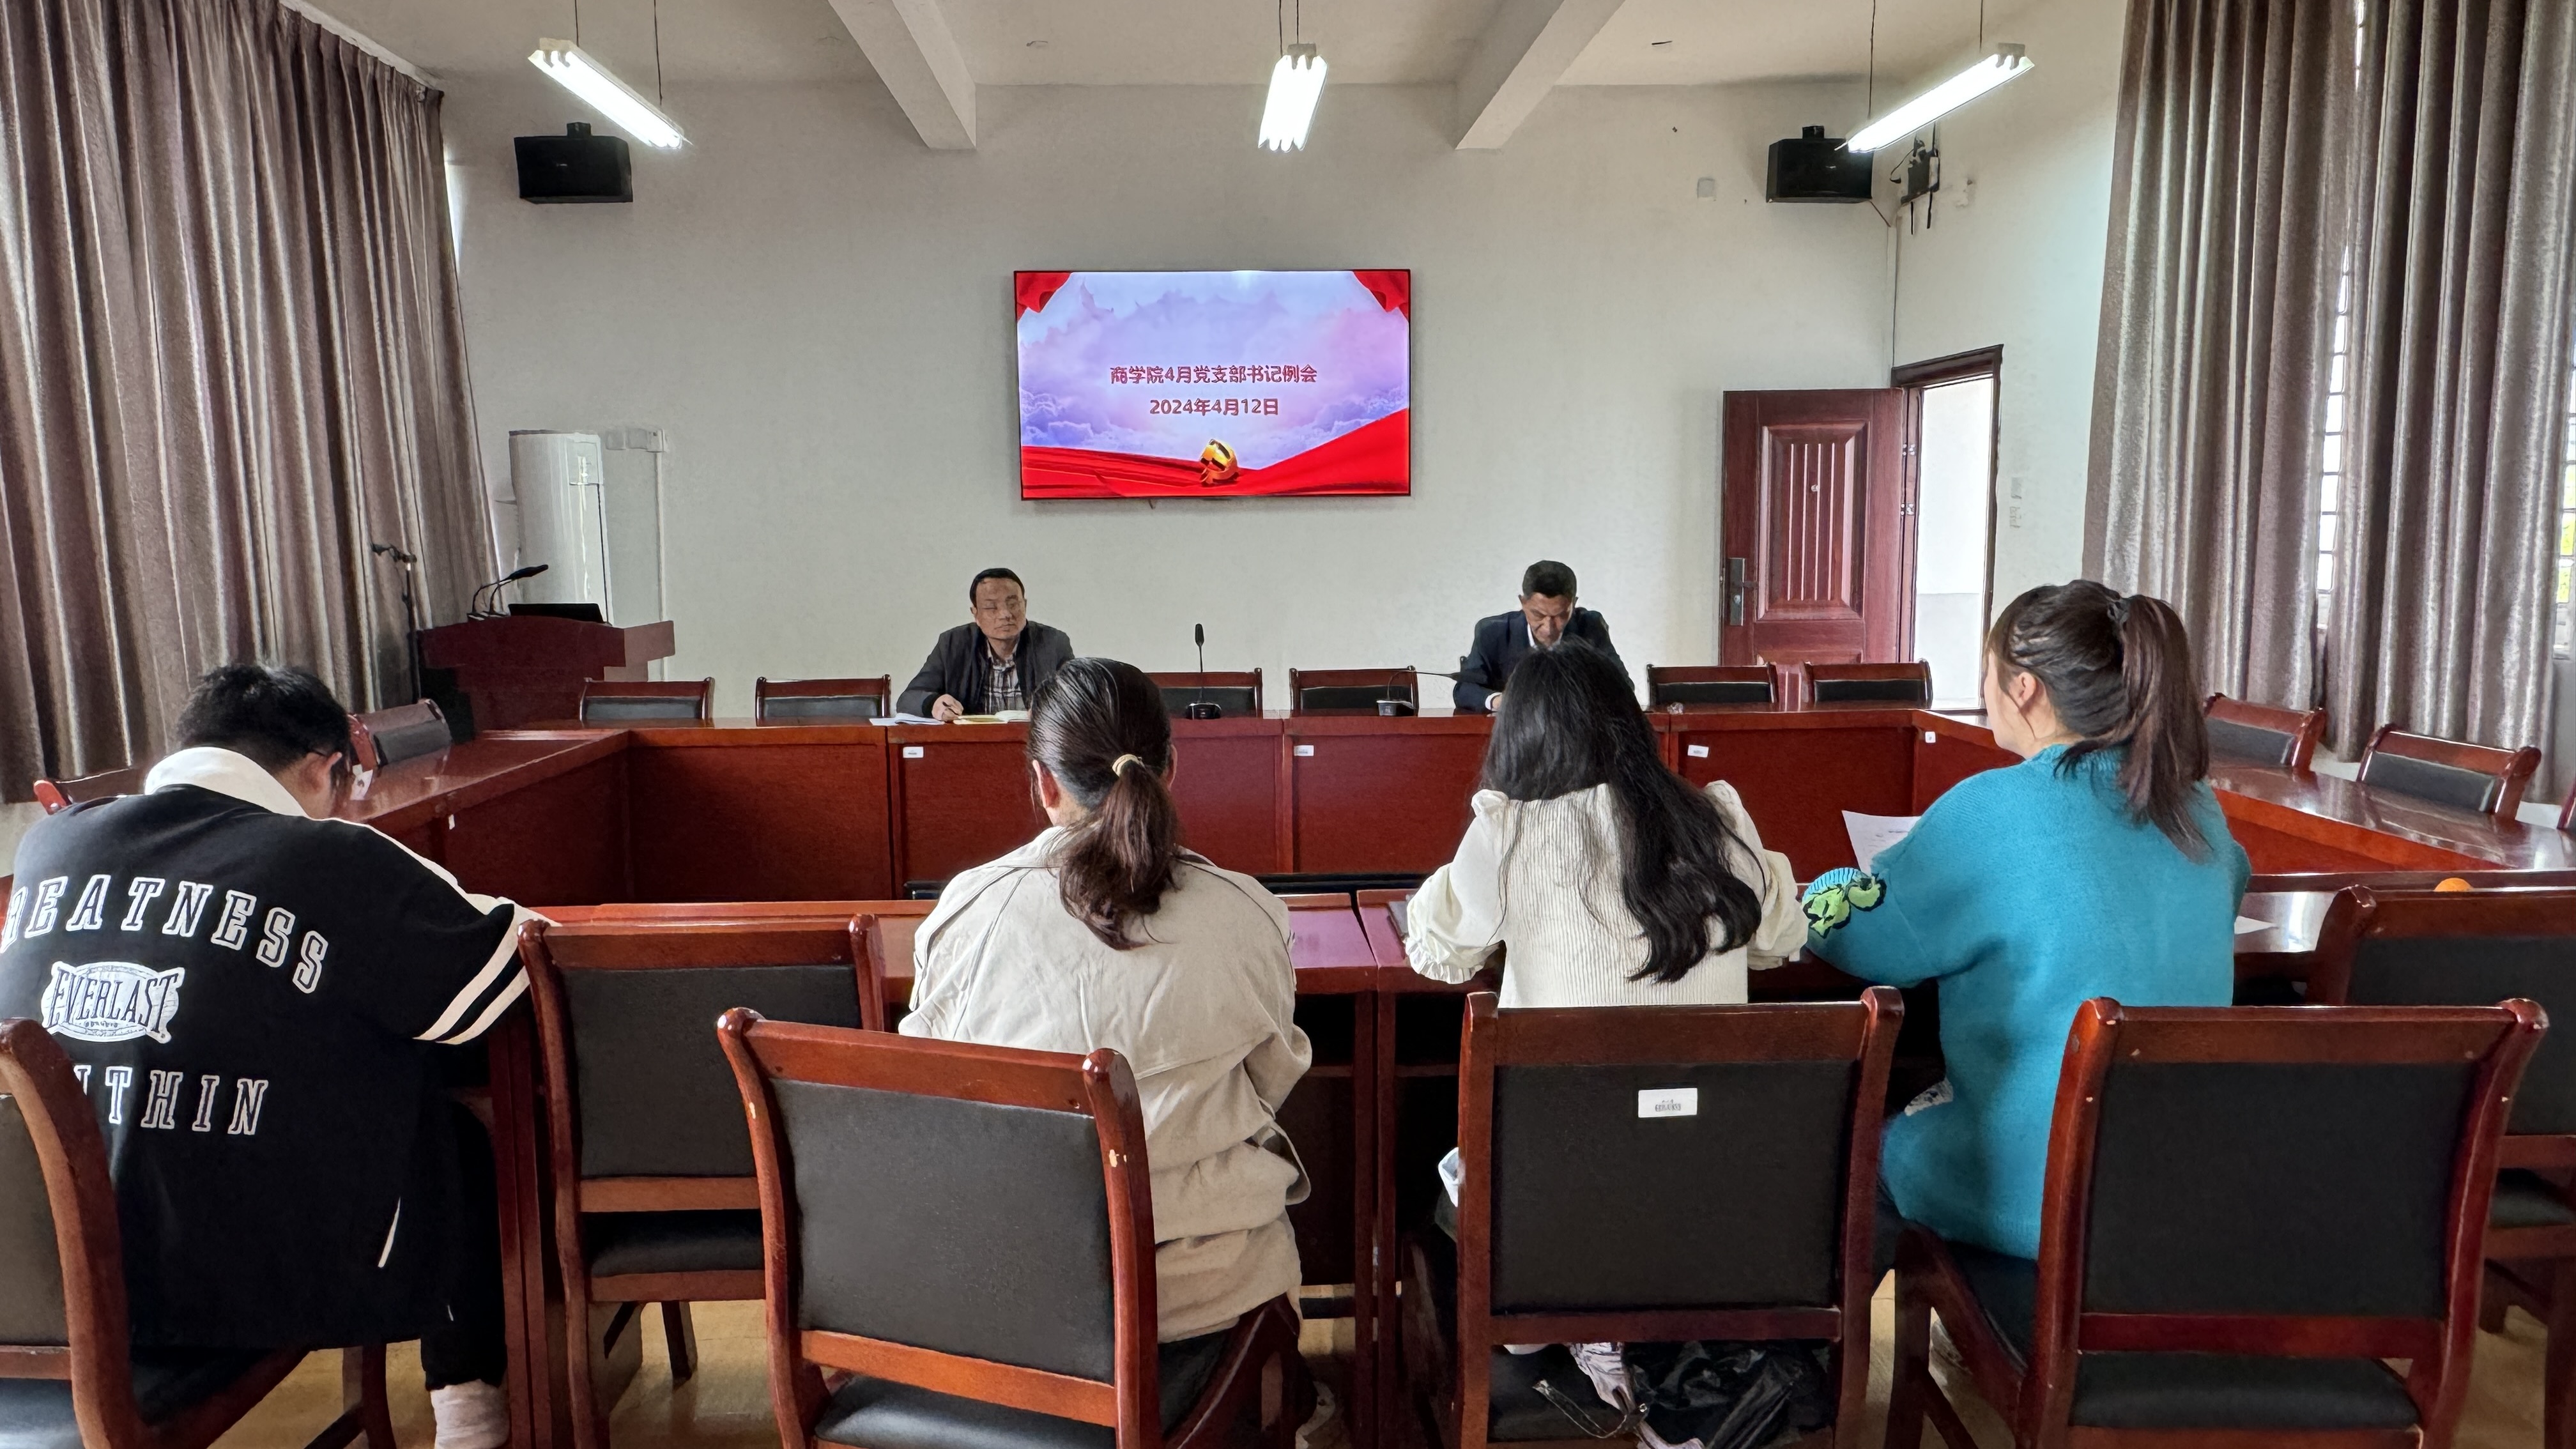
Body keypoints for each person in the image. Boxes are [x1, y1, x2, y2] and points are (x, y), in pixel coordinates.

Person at [0, 664, 530, 1449]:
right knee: (445, 1121)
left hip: (36, 1275)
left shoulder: (51, 843)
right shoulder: (332, 856)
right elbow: (509, 965)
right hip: (231, 1281)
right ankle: (469, 1413)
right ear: (324, 768)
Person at [1799, 582, 2250, 1264]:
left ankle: (1875, 1330)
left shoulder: (1992, 808)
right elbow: (2229, 883)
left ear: (2025, 689)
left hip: (2041, 1199)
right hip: (2179, 1192)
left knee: (1867, 1140)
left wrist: (1829, 886)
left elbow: (1867, 939)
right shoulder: (2193, 802)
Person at [901, 656, 1310, 1346]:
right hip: (1210, 1294)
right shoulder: (1247, 911)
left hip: (1015, 1298)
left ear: (1044, 781)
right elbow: (1273, 1080)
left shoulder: (971, 910)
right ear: (1170, 770)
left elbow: (928, 1092)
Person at [1406, 639, 1805, 1004]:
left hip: (1558, 1064)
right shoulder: (1720, 821)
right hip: (1714, 1064)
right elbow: (1777, 943)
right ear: (1633, 726)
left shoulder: (1506, 833)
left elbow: (1439, 951)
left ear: (1518, 741)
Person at [898, 567, 1074, 721]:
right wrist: (934, 704)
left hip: (1036, 742)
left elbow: (1078, 697)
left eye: (1013, 604)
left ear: (1025, 605)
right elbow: (909, 698)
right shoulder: (953, 644)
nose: (1005, 614)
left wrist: (1051, 707)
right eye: (991, 607)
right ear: (975, 614)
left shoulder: (1054, 643)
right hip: (971, 742)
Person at [1453, 560, 1626, 713]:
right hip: (1512, 734)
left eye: (1560, 615)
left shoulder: (1590, 627)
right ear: (1523, 603)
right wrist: (1499, 701)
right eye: (1538, 615)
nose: (1548, 628)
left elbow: (1622, 685)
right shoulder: (1492, 632)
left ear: (1573, 604)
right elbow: (1465, 689)